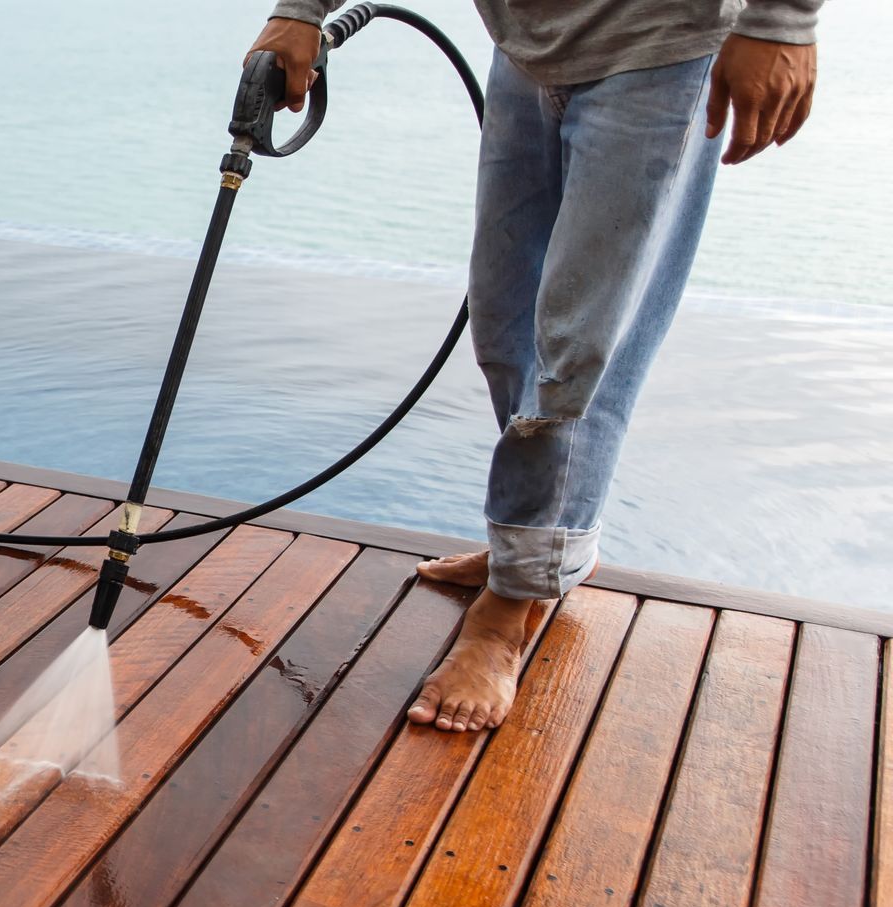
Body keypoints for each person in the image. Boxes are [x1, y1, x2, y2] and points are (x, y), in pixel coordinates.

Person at [247, 0, 821, 732]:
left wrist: (783, 20)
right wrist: (301, 11)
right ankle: (539, 544)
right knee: (504, 327)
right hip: (525, 49)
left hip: (660, 50)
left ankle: (511, 607)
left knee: (581, 347)